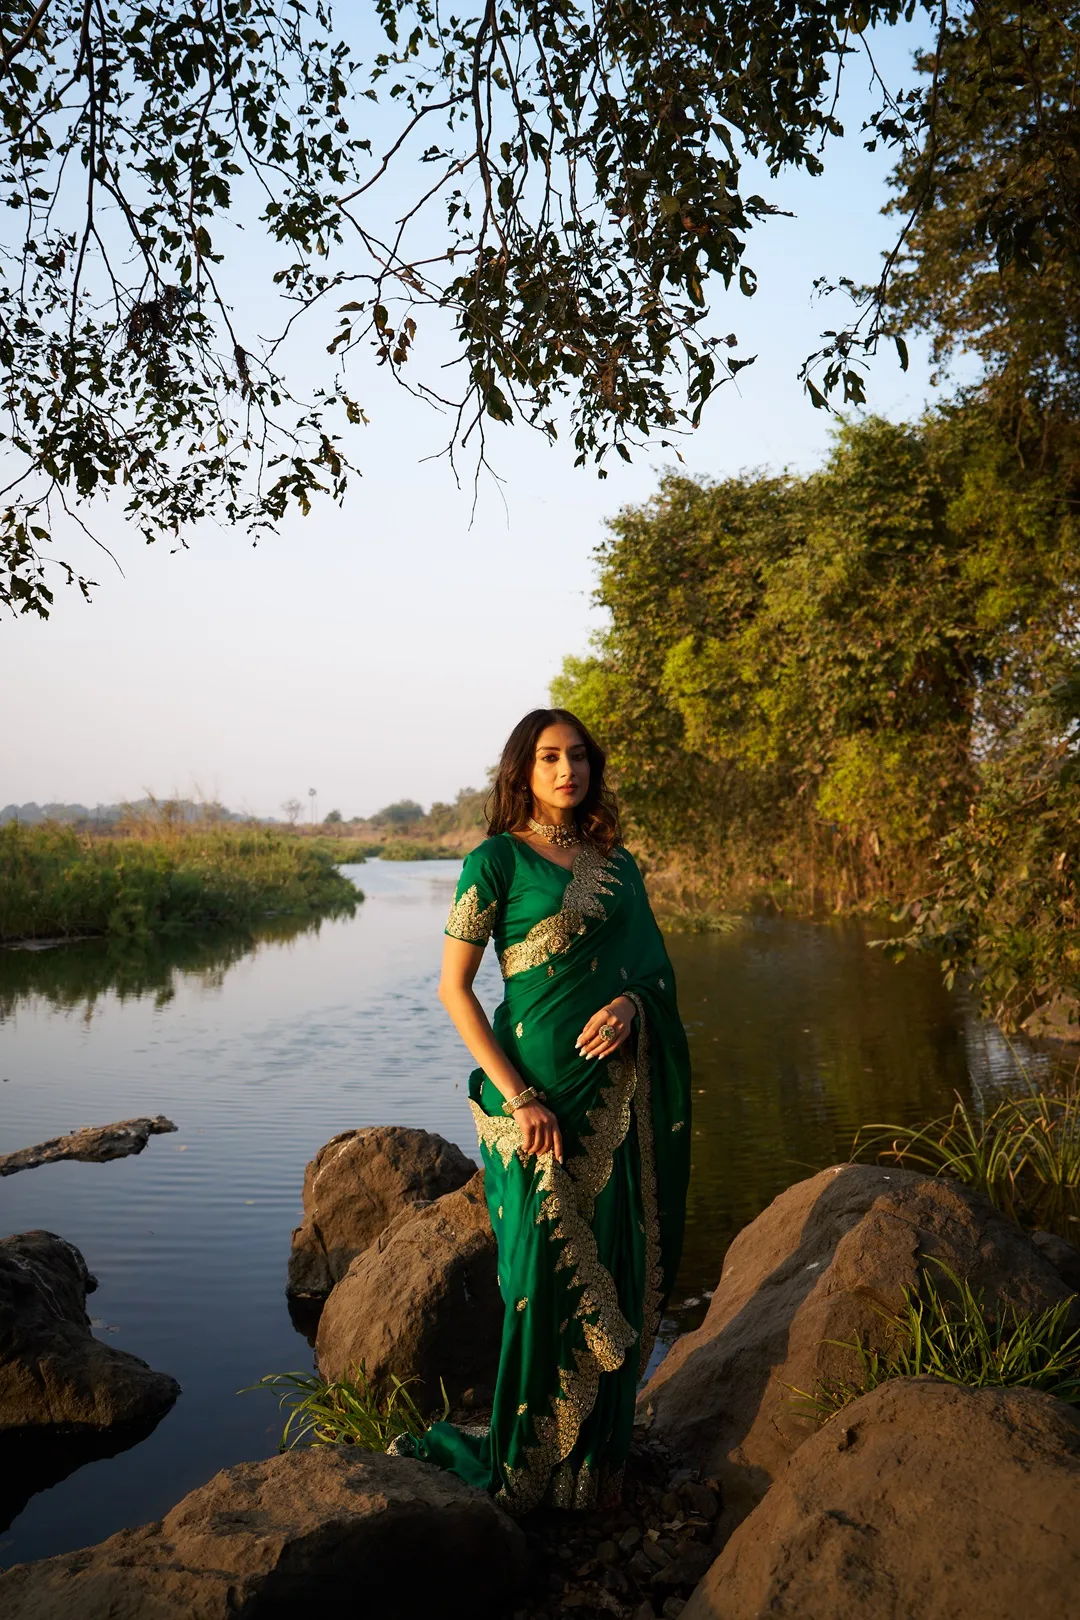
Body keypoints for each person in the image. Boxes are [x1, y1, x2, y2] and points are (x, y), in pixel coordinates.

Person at [400, 708, 691, 1514]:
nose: (568, 770)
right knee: (538, 1273)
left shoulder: (618, 866)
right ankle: (526, 1470)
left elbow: (654, 973)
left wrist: (633, 1006)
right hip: (528, 1095)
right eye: (550, 758)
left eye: (579, 757)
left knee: (615, 1265)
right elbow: (454, 990)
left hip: (610, 1095)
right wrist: (521, 1095)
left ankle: (592, 1473)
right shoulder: (495, 861)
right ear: (522, 772)